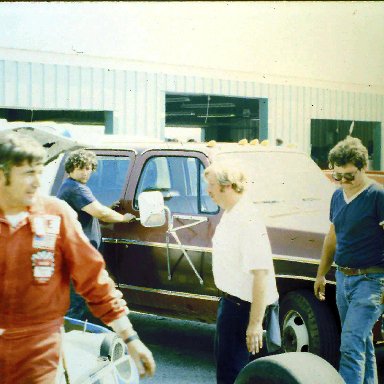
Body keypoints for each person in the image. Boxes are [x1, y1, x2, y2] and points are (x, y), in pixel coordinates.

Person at [0, 134, 155, 384]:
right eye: (27, 173)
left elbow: (95, 281)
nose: (36, 183)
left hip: (39, 361)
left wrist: (130, 338)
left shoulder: (55, 215)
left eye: (39, 173)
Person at [314, 136, 384, 384]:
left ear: (364, 167)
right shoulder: (336, 197)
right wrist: (321, 273)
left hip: (372, 281)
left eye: (350, 175)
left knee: (350, 344)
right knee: (361, 341)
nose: (343, 181)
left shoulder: (378, 196)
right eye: (337, 176)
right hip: (343, 279)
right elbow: (332, 236)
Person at [204, 161, 280, 384]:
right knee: (229, 371)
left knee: (234, 376)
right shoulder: (231, 213)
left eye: (211, 185)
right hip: (231, 305)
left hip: (242, 309)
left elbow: (260, 274)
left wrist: (255, 324)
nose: (207, 191)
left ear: (228, 186)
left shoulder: (246, 218)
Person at [56, 149, 135, 320]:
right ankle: (71, 337)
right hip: (76, 253)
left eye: (89, 168)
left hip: (75, 251)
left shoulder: (71, 186)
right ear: (71, 168)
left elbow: (92, 210)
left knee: (79, 296)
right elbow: (100, 213)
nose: (86, 172)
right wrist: (124, 218)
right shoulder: (76, 188)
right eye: (81, 168)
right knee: (76, 301)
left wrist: (108, 207)